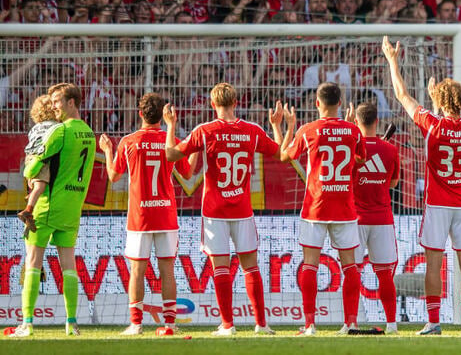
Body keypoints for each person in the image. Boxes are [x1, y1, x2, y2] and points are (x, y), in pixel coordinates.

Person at [382, 35, 461, 335]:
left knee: (433, 263)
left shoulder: (432, 124)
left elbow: (401, 95)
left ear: (438, 102)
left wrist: (392, 62)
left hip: (437, 203)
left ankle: (434, 321)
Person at [164, 84, 295, 336]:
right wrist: (280, 126)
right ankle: (261, 324)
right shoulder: (252, 131)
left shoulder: (205, 131)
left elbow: (170, 155)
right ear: (236, 102)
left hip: (214, 211)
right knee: (251, 267)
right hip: (243, 210)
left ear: (213, 105)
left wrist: (170, 125)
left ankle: (228, 325)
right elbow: (282, 154)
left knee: (220, 268)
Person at [98, 93, 194, 336]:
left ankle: (136, 324)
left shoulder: (129, 141)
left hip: (140, 216)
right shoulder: (172, 140)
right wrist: (195, 148)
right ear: (163, 115)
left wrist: (108, 150)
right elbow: (189, 173)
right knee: (167, 271)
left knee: (137, 271)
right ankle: (170, 324)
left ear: (139, 114)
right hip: (166, 215)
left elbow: (113, 176)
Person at [9, 84, 96, 337]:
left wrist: (28, 166)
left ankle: (27, 324)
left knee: (33, 263)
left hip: (48, 206)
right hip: (72, 208)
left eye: (58, 101)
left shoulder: (60, 132)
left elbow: (33, 167)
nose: (54, 105)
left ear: (72, 102)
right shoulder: (89, 133)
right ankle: (71, 323)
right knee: (69, 265)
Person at [280, 82, 365, 336]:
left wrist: (287, 127)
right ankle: (350, 323)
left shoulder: (308, 130)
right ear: (340, 103)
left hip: (315, 207)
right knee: (350, 266)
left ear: (317, 103)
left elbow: (285, 156)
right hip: (344, 208)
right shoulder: (353, 131)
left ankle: (309, 325)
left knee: (310, 265)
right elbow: (360, 160)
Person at [351, 102, 400, 334]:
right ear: (377, 121)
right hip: (382, 219)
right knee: (384, 274)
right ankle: (391, 324)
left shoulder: (351, 148)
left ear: (356, 122)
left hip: (355, 219)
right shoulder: (390, 150)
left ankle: (350, 323)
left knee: (352, 272)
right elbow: (393, 183)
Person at [16, 95, 59, 234]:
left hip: (29, 157)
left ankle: (31, 201)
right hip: (40, 157)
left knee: (35, 185)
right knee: (41, 186)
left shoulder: (35, 128)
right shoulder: (55, 126)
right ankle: (28, 211)